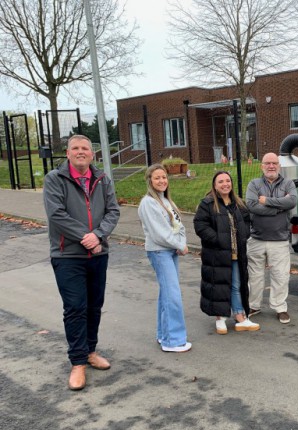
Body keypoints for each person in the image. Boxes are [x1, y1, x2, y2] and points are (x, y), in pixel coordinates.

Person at [43, 134, 120, 391]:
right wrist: (85, 237)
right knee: (75, 307)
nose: (80, 152)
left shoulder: (102, 179)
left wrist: (98, 235)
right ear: (68, 153)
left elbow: (113, 211)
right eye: (75, 148)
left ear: (92, 153)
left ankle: (90, 351)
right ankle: (77, 363)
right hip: (68, 256)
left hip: (98, 254)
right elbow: (56, 214)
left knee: (94, 306)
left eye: (85, 148)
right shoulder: (55, 179)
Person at [194, 171, 259, 334]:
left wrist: (244, 235)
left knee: (236, 285)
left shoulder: (239, 203)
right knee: (218, 286)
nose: (225, 184)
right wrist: (217, 240)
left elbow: (247, 221)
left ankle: (239, 316)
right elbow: (200, 225)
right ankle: (220, 318)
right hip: (216, 254)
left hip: (237, 253)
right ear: (215, 185)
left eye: (228, 181)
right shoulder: (207, 203)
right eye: (221, 181)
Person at [138, 164, 192, 353]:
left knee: (167, 294)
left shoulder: (166, 201)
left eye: (164, 177)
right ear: (150, 181)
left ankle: (164, 335)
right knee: (173, 296)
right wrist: (179, 245)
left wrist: (181, 243)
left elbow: (178, 226)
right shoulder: (148, 203)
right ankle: (174, 341)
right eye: (157, 178)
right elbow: (159, 233)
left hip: (170, 251)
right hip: (160, 252)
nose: (162, 181)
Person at [245, 152, 297, 324]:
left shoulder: (288, 183)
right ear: (262, 166)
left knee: (280, 276)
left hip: (280, 239)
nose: (271, 166)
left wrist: (267, 201)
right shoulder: (254, 184)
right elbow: (252, 206)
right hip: (256, 239)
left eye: (274, 163)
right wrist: (278, 207)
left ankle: (280, 307)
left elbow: (292, 202)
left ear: (279, 165)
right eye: (267, 163)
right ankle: (254, 305)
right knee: (255, 276)